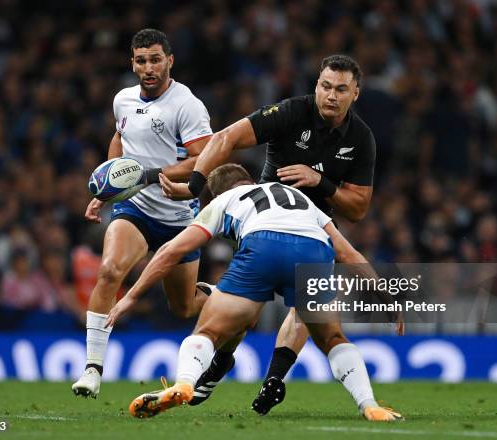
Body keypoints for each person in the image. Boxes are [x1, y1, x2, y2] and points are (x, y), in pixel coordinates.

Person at [159, 54, 401, 413]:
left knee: (293, 309)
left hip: (315, 225)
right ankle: (235, 360)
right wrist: (197, 186)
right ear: (316, 84)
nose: (330, 95)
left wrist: (321, 182)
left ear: (356, 94)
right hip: (263, 219)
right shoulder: (291, 113)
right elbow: (226, 138)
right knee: (261, 314)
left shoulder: (362, 139)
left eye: (340, 89)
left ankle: (266, 377)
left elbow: (359, 208)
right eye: (324, 86)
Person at [105, 164, 403, 422]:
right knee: (333, 339)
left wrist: (131, 296)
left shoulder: (226, 200)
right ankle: (370, 405)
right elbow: (348, 254)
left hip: (263, 246)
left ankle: (184, 383)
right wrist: (386, 297)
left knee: (208, 331)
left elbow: (173, 250)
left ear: (217, 192)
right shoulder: (302, 200)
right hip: (313, 249)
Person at [71, 29, 213, 398]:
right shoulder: (123, 100)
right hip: (135, 208)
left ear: (169, 61)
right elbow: (120, 139)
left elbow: (207, 158)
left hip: (180, 216)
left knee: (182, 307)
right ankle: (92, 369)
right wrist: (105, 189)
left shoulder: (187, 105)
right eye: (140, 60)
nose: (148, 68)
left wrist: (153, 174)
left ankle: (216, 296)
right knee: (109, 271)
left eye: (155, 59)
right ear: (132, 62)